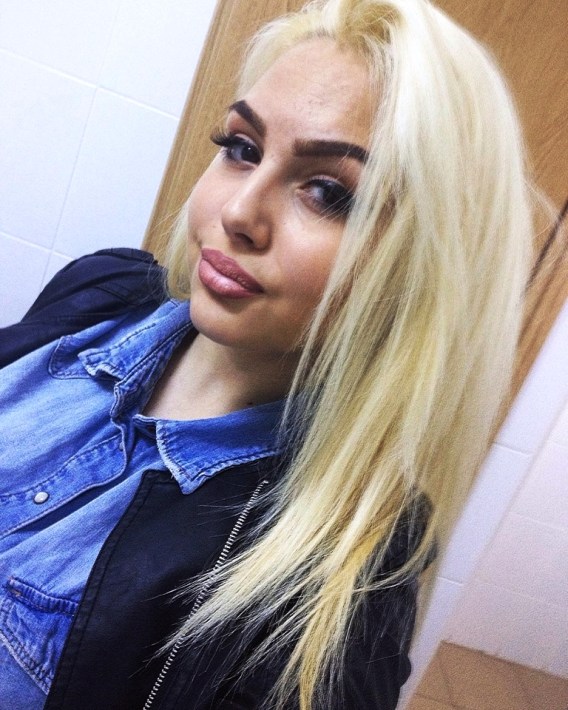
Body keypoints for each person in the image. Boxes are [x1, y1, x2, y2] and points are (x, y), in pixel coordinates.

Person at [0, 0, 532, 707]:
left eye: (328, 192)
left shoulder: (344, 585)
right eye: (242, 148)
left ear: (422, 268)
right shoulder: (103, 288)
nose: (238, 212)